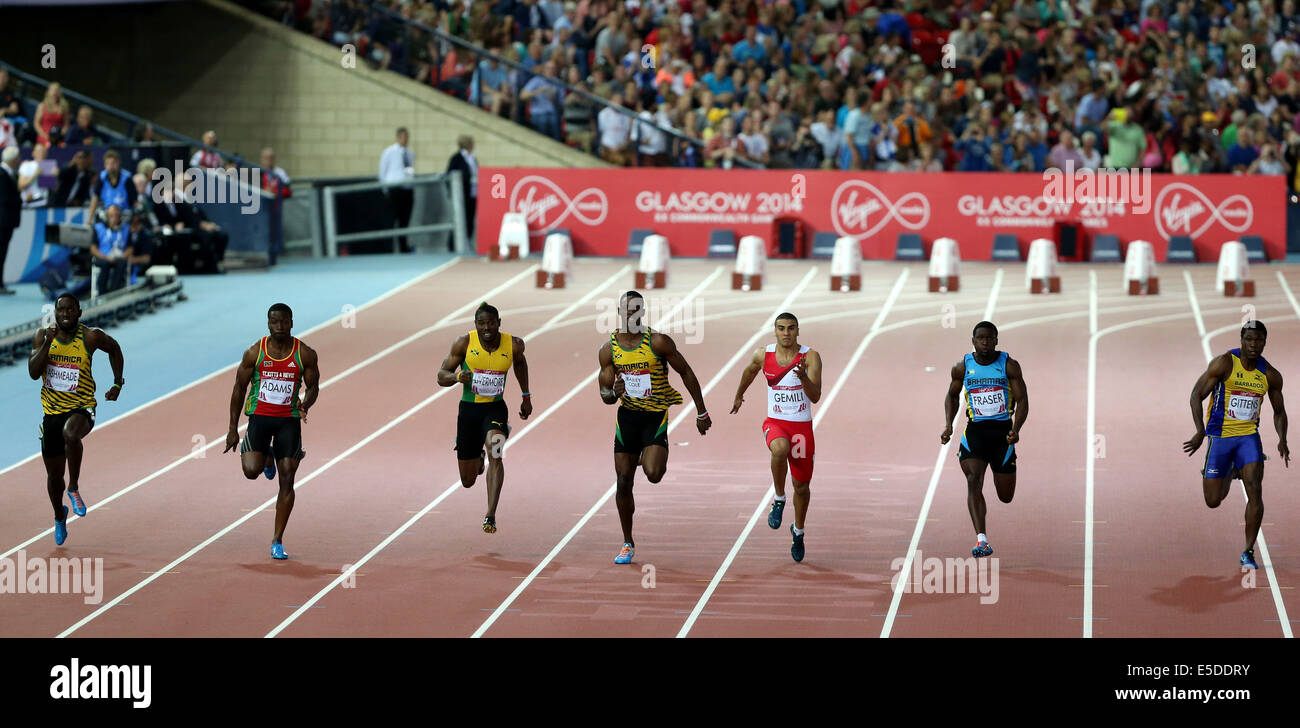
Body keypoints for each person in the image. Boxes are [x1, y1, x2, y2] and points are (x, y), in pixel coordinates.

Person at [598, 291, 712, 564]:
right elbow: (604, 395)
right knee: (623, 481)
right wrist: (613, 392)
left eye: (637, 310)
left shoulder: (658, 342)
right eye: (627, 310)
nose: (631, 315)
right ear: (619, 311)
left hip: (654, 417)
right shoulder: (608, 350)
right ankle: (627, 542)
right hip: (627, 417)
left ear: (643, 312)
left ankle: (646, 455)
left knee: (654, 474)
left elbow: (686, 371)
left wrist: (701, 410)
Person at [1183, 321, 1289, 569]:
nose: (1253, 345)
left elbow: (1280, 411)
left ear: (1265, 342)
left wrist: (1282, 438)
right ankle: (1231, 471)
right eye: (1249, 340)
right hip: (1220, 437)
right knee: (1213, 501)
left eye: (1259, 340)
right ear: (1242, 340)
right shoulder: (1225, 363)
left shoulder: (1270, 375)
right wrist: (1200, 431)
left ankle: (1248, 551)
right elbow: (1196, 395)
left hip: (1248, 438)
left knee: (1255, 489)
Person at [27, 293, 126, 545]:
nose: (66, 315)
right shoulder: (43, 336)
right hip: (52, 413)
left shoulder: (90, 337)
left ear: (79, 313)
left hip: (82, 407)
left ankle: (74, 488)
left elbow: (114, 348)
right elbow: (32, 372)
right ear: (55, 314)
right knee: (53, 478)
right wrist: (48, 345)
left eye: (71, 310)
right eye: (61, 310)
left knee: (71, 434)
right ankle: (59, 515)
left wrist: (117, 382)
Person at [224, 303, 320, 560]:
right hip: (259, 419)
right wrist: (232, 429)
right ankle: (266, 453)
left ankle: (277, 540)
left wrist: (305, 403)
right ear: (268, 323)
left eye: (283, 322)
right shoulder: (255, 353)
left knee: (287, 478)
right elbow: (238, 389)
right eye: (274, 322)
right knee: (251, 471)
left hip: (289, 421)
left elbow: (313, 387)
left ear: (291, 322)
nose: (279, 326)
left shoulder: (305, 354)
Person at [730, 313, 823, 562]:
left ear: (797, 331)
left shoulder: (811, 357)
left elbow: (815, 396)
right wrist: (739, 395)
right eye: (781, 328)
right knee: (779, 450)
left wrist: (803, 376)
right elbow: (749, 371)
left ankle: (798, 531)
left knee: (802, 487)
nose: (786, 333)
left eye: (791, 328)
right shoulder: (764, 354)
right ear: (775, 331)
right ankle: (779, 499)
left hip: (801, 428)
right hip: (776, 422)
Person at [436, 302, 531, 533]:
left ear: (499, 323)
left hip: (495, 409)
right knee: (467, 481)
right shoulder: (464, 343)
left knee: (496, 453)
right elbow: (441, 376)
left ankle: (490, 515)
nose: (486, 327)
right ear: (475, 325)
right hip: (469, 412)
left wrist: (526, 395)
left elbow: (520, 365)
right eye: (481, 323)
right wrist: (458, 377)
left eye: (490, 323)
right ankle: (476, 455)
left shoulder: (514, 344)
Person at [940, 321, 1029, 558]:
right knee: (973, 479)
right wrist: (948, 425)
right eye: (981, 338)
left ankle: (984, 530)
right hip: (975, 434)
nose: (985, 343)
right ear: (973, 341)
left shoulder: (1009, 366)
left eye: (990, 338)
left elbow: (1023, 401)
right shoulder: (962, 367)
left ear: (997, 340)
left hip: (1003, 436)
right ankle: (982, 540)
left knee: (1006, 497)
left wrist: (1016, 428)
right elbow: (951, 396)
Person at [378, 127, 415, 253]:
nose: (406, 139)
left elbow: (409, 169)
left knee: (405, 220)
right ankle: (387, 248)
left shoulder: (410, 153)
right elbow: (382, 172)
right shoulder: (389, 152)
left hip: (407, 189)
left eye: (407, 137)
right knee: (391, 220)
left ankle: (403, 247)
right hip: (394, 189)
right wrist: (385, 190)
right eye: (403, 137)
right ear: (398, 137)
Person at [445, 135, 477, 248]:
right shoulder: (457, 158)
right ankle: (452, 244)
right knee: (458, 219)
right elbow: (449, 175)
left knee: (470, 219)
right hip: (461, 195)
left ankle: (467, 241)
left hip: (472, 194)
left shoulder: (473, 158)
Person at [0, 146, 20, 294]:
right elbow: (5, 199)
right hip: (3, 221)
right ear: (14, 160)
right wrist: (19, 199)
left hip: (6, 220)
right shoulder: (2, 175)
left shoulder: (6, 173)